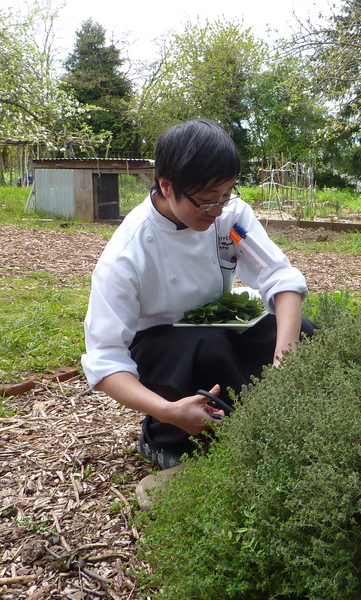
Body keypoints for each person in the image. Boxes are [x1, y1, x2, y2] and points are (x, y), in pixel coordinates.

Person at [81, 118, 316, 470]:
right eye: (206, 201)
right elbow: (104, 358)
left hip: (212, 321)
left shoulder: (229, 218)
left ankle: (270, 425)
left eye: (226, 194)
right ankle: (164, 436)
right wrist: (167, 410)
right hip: (159, 344)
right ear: (166, 185)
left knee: (303, 332)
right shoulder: (127, 254)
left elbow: (279, 278)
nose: (218, 210)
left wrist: (286, 357)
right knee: (207, 351)